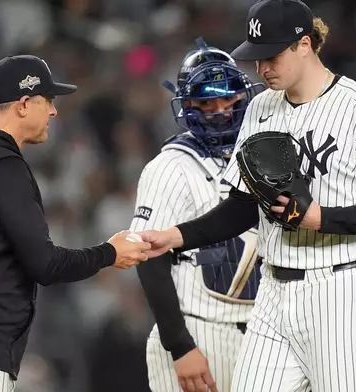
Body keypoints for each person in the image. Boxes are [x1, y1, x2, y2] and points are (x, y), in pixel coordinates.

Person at [138, 0, 356, 391]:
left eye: (271, 56)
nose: (262, 69)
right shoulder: (259, 107)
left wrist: (321, 219)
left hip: (338, 291)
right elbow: (242, 206)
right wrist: (177, 236)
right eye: (256, 58)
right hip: (273, 291)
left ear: (304, 45)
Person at [0, 54, 151, 392]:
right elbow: (46, 264)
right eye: (47, 100)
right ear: (23, 104)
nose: (53, 111)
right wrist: (109, 253)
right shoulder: (1, 165)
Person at [130, 38, 266, 392]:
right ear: (187, 104)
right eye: (207, 101)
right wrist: (180, 346)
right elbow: (149, 259)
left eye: (228, 97)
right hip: (199, 329)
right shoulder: (171, 166)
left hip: (264, 336)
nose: (221, 109)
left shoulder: (262, 154)